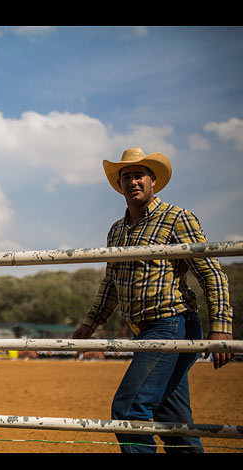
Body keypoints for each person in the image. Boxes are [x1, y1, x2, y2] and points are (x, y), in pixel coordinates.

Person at [73, 147, 234, 453]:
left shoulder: (177, 218)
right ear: (120, 185)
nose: (133, 181)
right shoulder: (117, 230)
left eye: (139, 175)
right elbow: (111, 282)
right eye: (127, 177)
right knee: (172, 421)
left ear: (153, 181)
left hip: (172, 323)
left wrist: (222, 327)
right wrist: (90, 323)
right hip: (144, 330)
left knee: (129, 410)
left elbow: (210, 272)